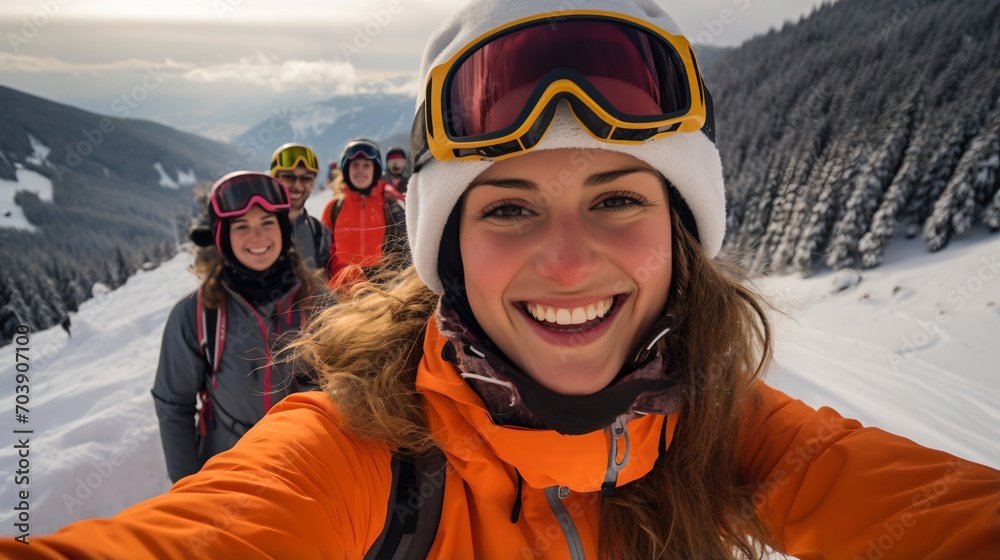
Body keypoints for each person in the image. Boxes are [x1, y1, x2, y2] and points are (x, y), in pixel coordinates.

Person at [6, 1, 998, 558]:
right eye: (509, 207)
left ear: (683, 235)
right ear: (444, 251)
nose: (567, 261)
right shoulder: (358, 449)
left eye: (617, 199)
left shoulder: (720, 420)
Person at [151, 171, 322, 483]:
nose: (256, 237)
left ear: (283, 229)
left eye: (267, 223)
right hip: (227, 474)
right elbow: (174, 406)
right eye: (241, 227)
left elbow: (351, 389)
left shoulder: (319, 303)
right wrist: (189, 492)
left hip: (305, 469)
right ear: (222, 238)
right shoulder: (197, 316)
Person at [320, 138, 408, 290]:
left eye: (366, 165)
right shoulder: (334, 207)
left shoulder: (389, 204)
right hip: (343, 293)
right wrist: (339, 280)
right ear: (346, 169)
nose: (360, 170)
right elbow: (323, 253)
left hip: (381, 291)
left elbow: (401, 250)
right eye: (355, 165)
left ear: (375, 170)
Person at [269, 143, 334, 280]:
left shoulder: (321, 234)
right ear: (275, 179)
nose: (297, 186)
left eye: (306, 179)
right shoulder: (256, 230)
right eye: (289, 177)